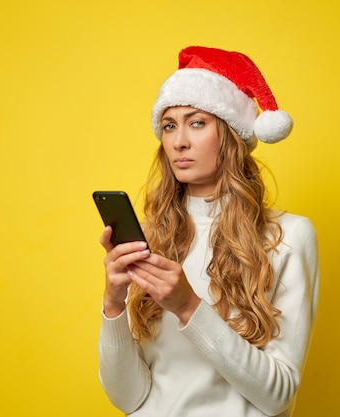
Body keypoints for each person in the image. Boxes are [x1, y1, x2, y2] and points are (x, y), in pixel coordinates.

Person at [97, 46, 319, 417]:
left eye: (196, 122)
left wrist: (188, 307)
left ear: (231, 134)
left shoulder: (290, 236)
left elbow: (278, 396)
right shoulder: (154, 235)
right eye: (169, 125)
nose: (179, 141)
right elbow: (129, 398)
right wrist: (113, 304)